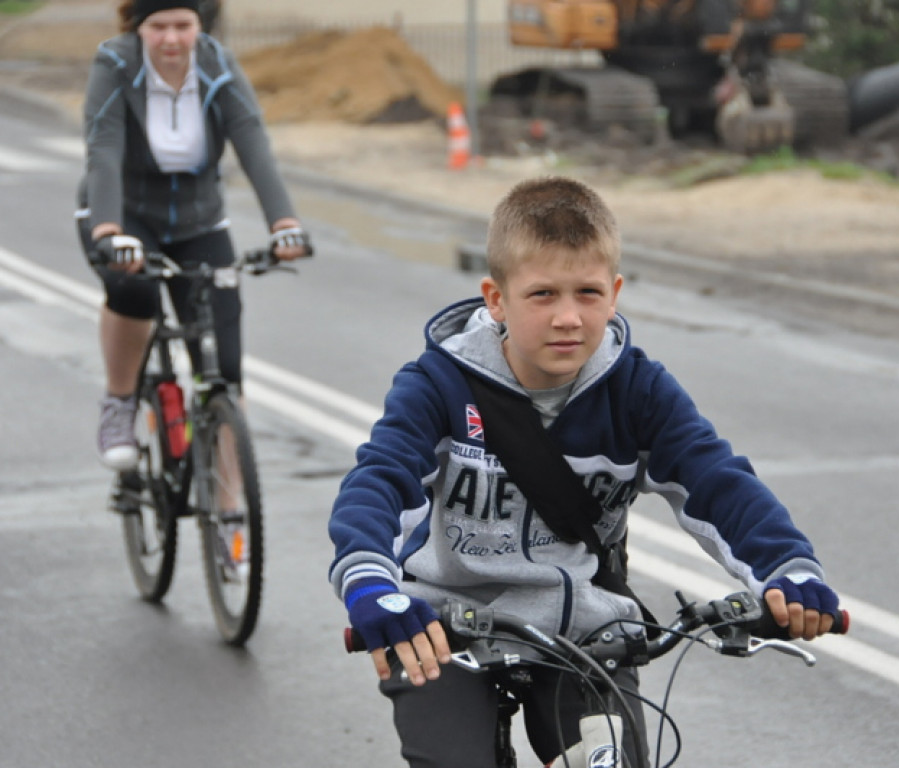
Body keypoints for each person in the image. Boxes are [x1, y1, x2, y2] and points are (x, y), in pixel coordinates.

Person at [328, 176, 840, 768]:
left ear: (615, 293)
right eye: (542, 294)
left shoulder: (638, 390)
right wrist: (370, 583)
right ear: (496, 298)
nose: (568, 317)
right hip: (444, 627)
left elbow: (717, 480)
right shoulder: (438, 386)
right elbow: (379, 481)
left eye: (588, 293)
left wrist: (786, 567)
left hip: (585, 632)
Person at [76, 0, 310, 470]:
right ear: (138, 28)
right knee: (134, 290)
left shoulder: (217, 66)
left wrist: (284, 223)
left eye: (182, 25)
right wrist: (107, 229)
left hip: (199, 221)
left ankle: (230, 520)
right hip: (124, 213)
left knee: (224, 369)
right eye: (157, 26)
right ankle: (120, 404)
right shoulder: (115, 63)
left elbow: (253, 143)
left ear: (200, 27)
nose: (170, 39)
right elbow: (102, 149)